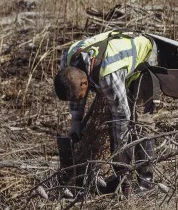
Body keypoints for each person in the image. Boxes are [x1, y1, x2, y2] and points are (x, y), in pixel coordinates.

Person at [54, 30, 158, 193]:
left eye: (79, 97)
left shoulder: (108, 75)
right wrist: (75, 122)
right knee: (114, 113)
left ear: (84, 83)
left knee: (140, 121)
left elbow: (121, 119)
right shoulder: (68, 60)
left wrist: (121, 159)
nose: (78, 100)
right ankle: (120, 178)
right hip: (115, 61)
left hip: (144, 57)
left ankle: (145, 183)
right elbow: (76, 93)